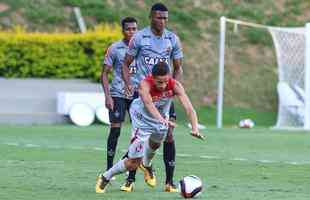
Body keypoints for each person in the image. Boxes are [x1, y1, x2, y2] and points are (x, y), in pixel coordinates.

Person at [96, 62, 204, 194]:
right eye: (159, 82)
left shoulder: (175, 85)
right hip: (142, 119)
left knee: (155, 145)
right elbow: (149, 105)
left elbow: (189, 108)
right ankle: (105, 177)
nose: (163, 85)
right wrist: (163, 120)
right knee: (132, 163)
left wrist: (195, 128)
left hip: (162, 120)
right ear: (152, 78)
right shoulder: (144, 85)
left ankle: (146, 165)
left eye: (166, 81)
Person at [121, 2, 183, 192]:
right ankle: (130, 180)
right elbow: (126, 63)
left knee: (168, 134)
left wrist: (173, 88)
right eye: (158, 17)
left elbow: (178, 67)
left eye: (165, 18)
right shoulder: (139, 37)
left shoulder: (172, 39)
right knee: (139, 138)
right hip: (144, 97)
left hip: (164, 97)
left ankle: (169, 182)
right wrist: (129, 83)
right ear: (151, 17)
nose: (162, 21)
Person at [100, 17, 138, 174]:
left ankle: (131, 167)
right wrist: (107, 96)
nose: (131, 32)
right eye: (128, 29)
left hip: (137, 94)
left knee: (139, 133)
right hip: (118, 94)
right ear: (123, 31)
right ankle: (109, 168)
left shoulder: (142, 48)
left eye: (134, 29)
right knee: (115, 130)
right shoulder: (115, 48)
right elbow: (104, 74)